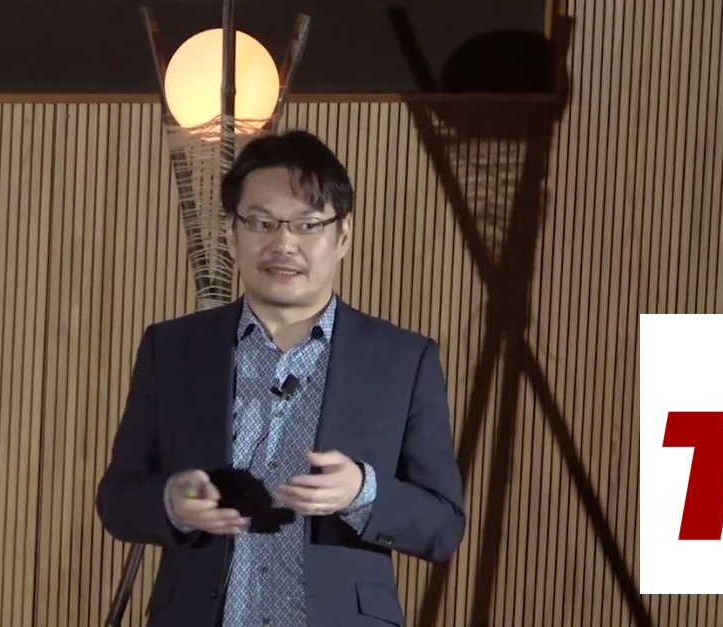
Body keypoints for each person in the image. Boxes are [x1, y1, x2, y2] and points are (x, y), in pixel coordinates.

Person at [95, 130, 466, 627]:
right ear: (232, 233)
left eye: (307, 225)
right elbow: (118, 499)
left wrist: (363, 491)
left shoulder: (403, 360)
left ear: (343, 236)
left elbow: (443, 526)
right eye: (262, 222)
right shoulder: (174, 349)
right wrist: (175, 501)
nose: (283, 243)